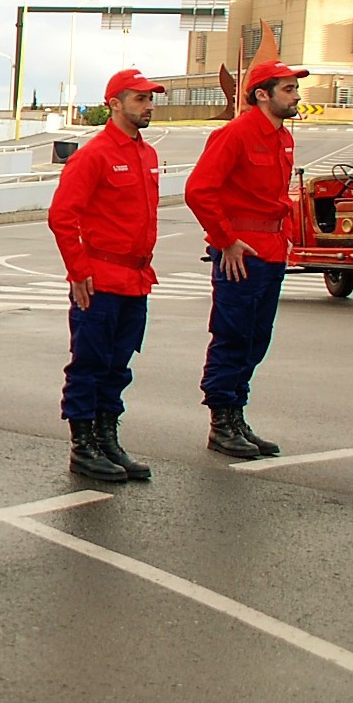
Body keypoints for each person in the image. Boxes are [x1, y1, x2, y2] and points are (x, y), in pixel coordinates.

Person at [184, 59, 306, 459]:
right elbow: (200, 190)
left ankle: (237, 415)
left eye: (294, 88)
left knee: (257, 338)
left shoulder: (283, 137)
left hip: (272, 252)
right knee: (232, 336)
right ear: (262, 94)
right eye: (288, 89)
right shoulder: (235, 135)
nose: (296, 95)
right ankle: (221, 422)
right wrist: (226, 241)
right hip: (243, 255)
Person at [47, 70, 165, 482]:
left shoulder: (146, 154)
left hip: (135, 279)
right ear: (115, 103)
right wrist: (78, 271)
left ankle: (107, 437)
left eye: (150, 99)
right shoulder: (94, 155)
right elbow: (62, 216)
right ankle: (84, 445)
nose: (148, 105)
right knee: (90, 363)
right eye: (140, 99)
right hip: (100, 280)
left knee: (118, 365)